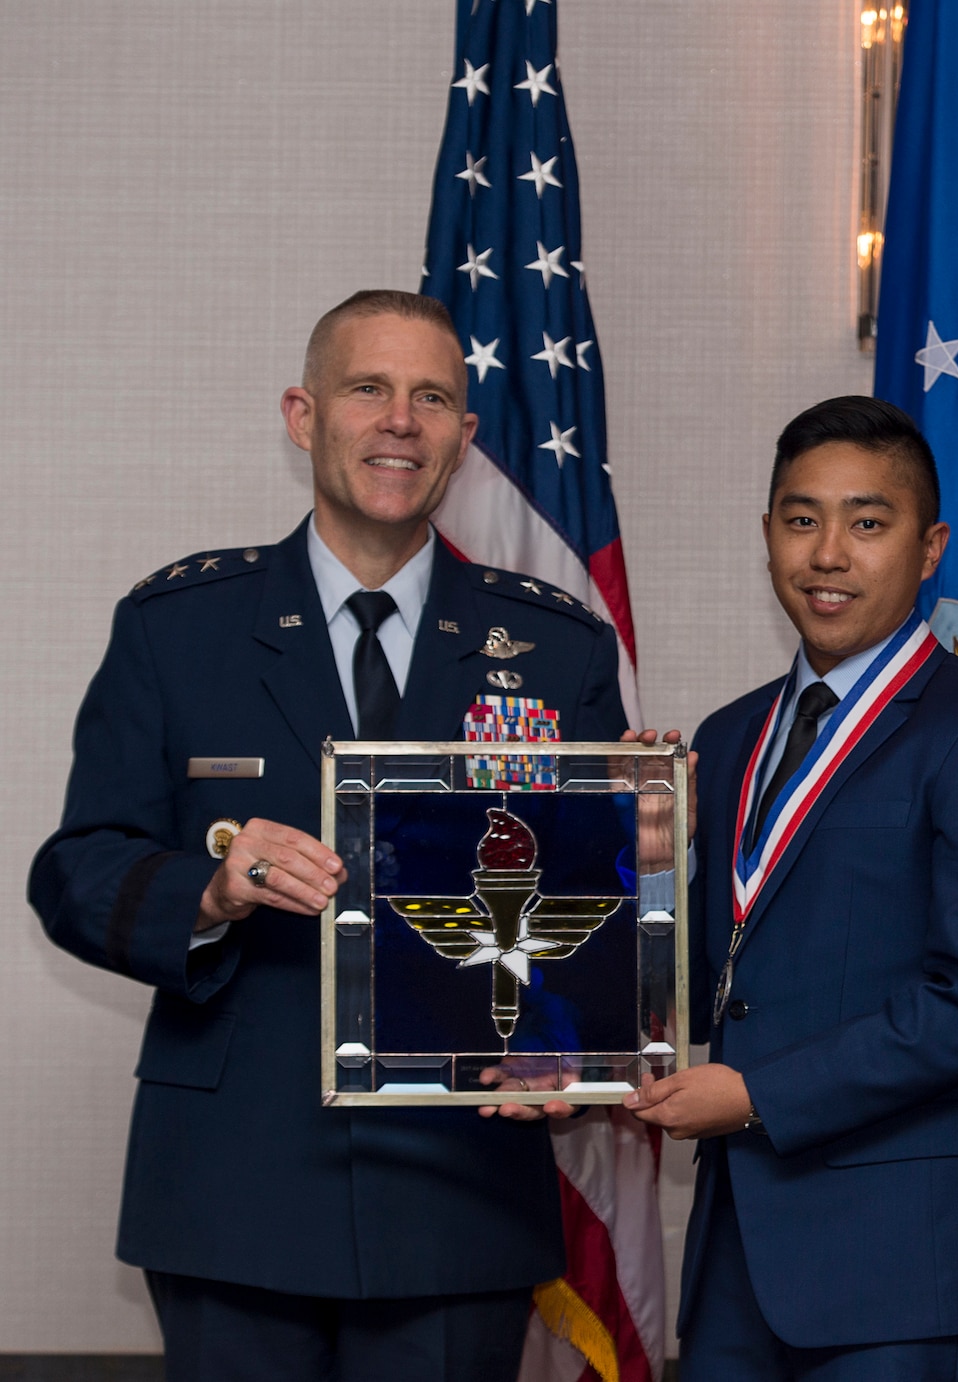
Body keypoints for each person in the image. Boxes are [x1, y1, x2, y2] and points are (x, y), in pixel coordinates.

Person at [30, 290, 629, 1381]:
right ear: (304, 415)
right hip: (233, 1185)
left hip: (457, 1193)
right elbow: (74, 871)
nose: (399, 419)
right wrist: (210, 887)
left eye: (431, 397)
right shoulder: (179, 629)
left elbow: (594, 908)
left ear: (464, 436)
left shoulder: (555, 650)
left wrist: (570, 1029)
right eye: (368, 388)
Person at [622, 396, 958, 1381]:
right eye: (800, 518)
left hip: (898, 1267)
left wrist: (753, 1094)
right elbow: (714, 977)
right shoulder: (732, 733)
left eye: (867, 522)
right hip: (737, 1252)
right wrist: (648, 854)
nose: (827, 552)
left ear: (928, 545)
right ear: (768, 533)